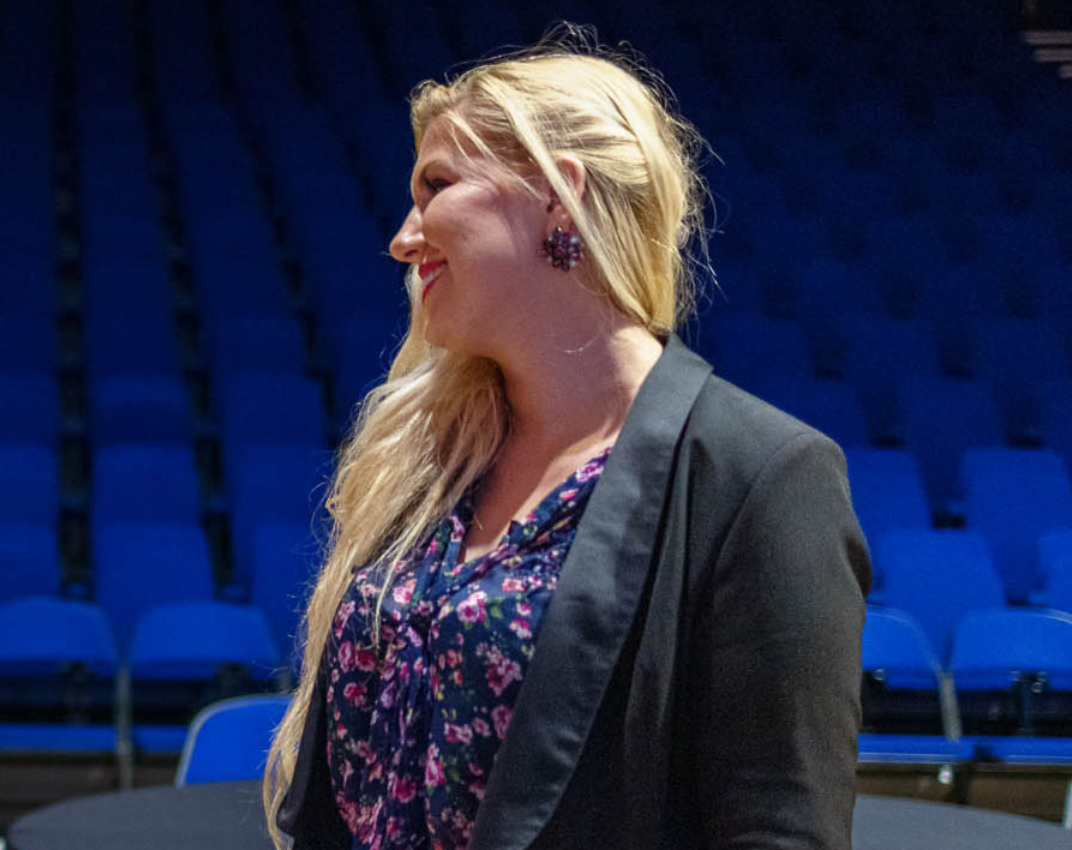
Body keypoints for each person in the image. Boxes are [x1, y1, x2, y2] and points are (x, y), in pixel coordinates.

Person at [261, 34, 870, 850]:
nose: (404, 238)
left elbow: (781, 832)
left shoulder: (765, 476)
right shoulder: (427, 458)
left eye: (436, 186)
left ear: (558, 194)